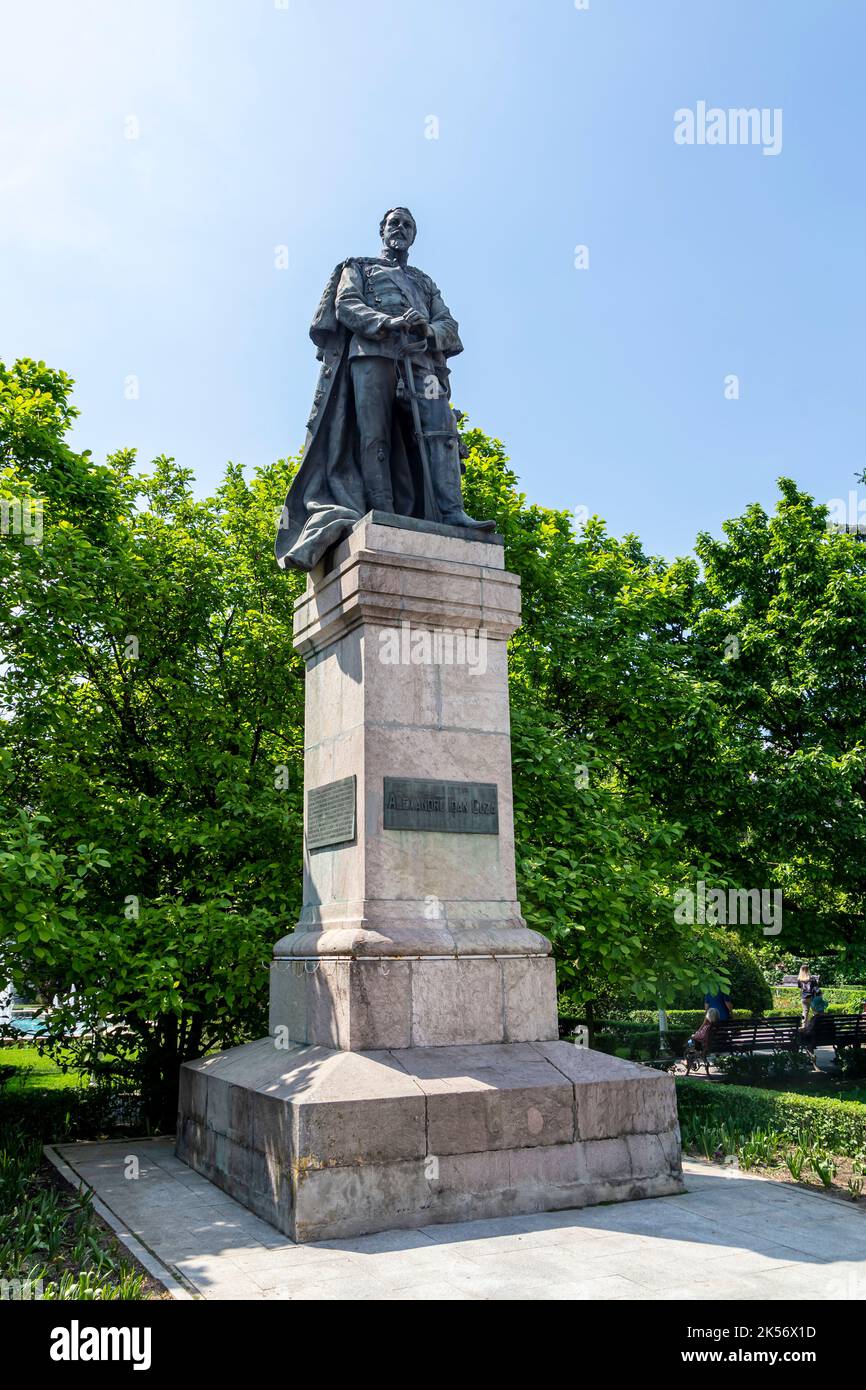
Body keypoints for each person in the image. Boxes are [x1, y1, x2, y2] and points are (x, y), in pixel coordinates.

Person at [276, 207, 495, 571]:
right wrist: (388, 322)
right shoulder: (358, 266)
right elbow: (346, 305)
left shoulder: (424, 282)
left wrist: (428, 330)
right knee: (374, 438)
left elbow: (449, 324)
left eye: (407, 225)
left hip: (420, 360)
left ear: (413, 236)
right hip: (372, 354)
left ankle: (452, 512)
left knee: (442, 431)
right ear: (382, 230)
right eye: (394, 223)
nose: (400, 229)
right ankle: (382, 511)